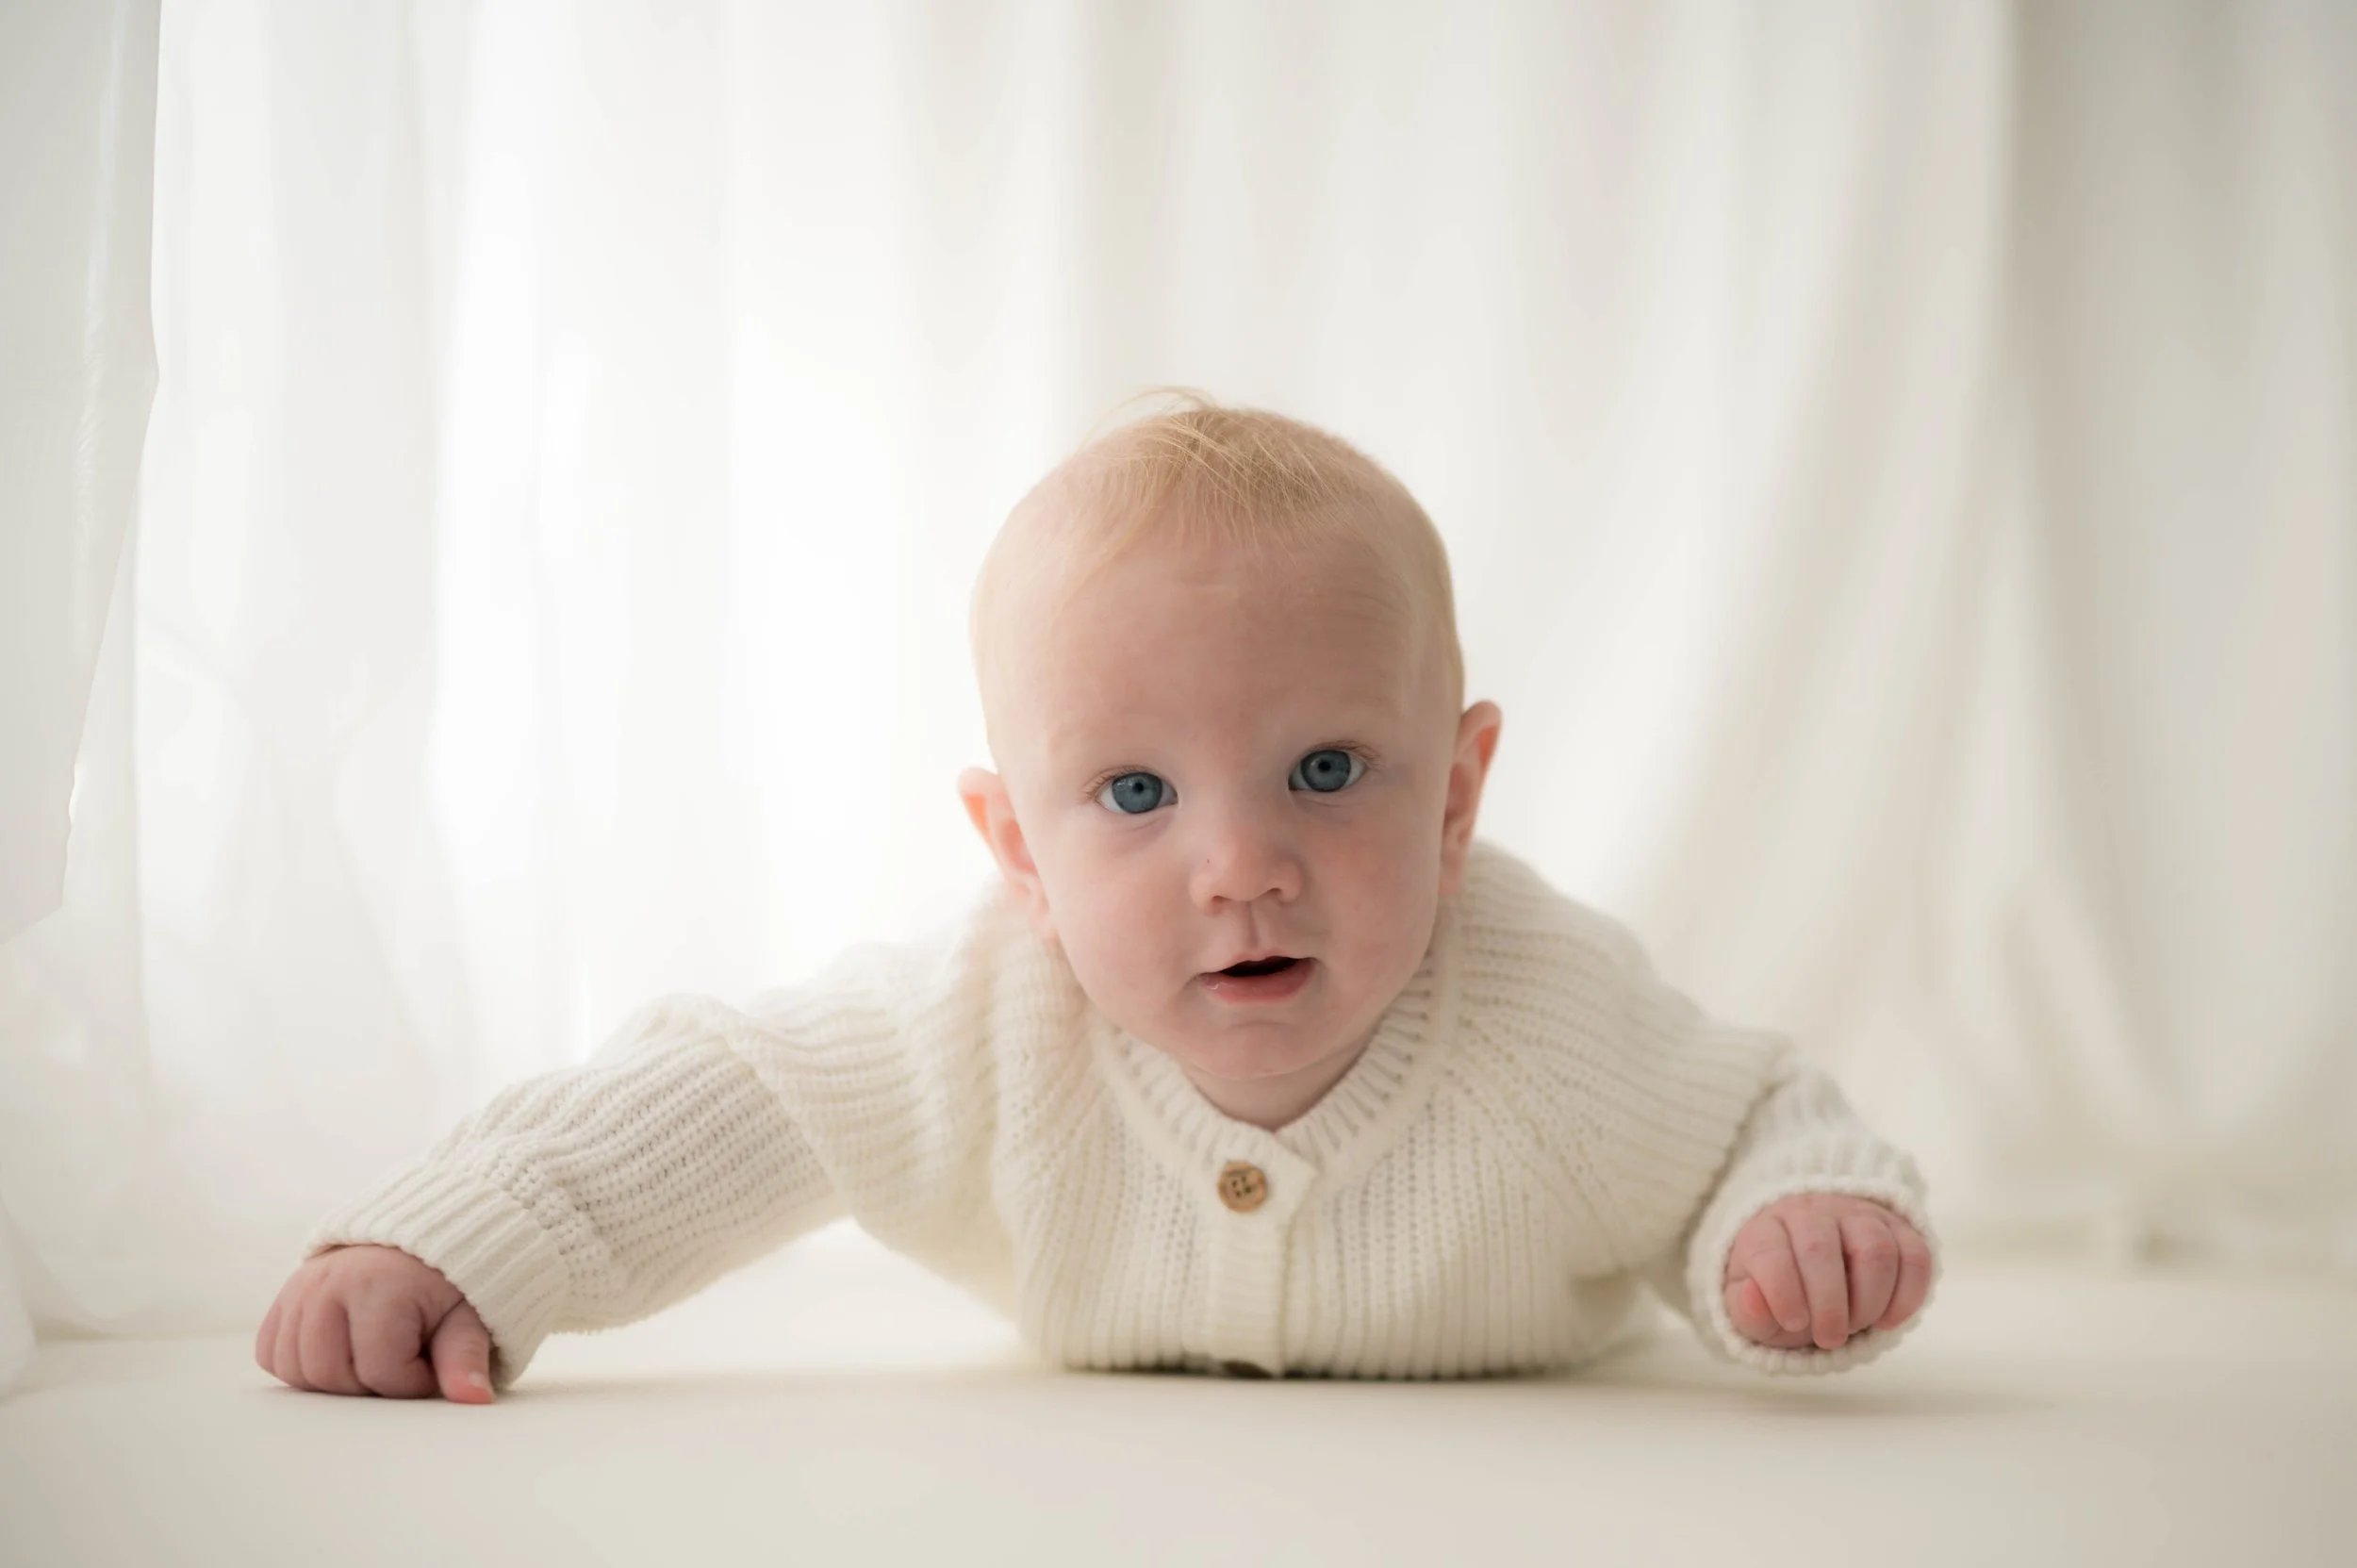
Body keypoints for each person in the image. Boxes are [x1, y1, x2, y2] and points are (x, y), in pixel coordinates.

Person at [256, 395, 1936, 1403]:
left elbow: (1746, 1122)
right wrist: (470, 1236)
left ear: (1455, 797)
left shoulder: (1540, 1011)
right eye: (1136, 794)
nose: (1242, 864)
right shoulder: (983, 1020)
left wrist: (1791, 1230)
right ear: (1020, 855)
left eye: (1327, 768)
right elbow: (740, 1097)